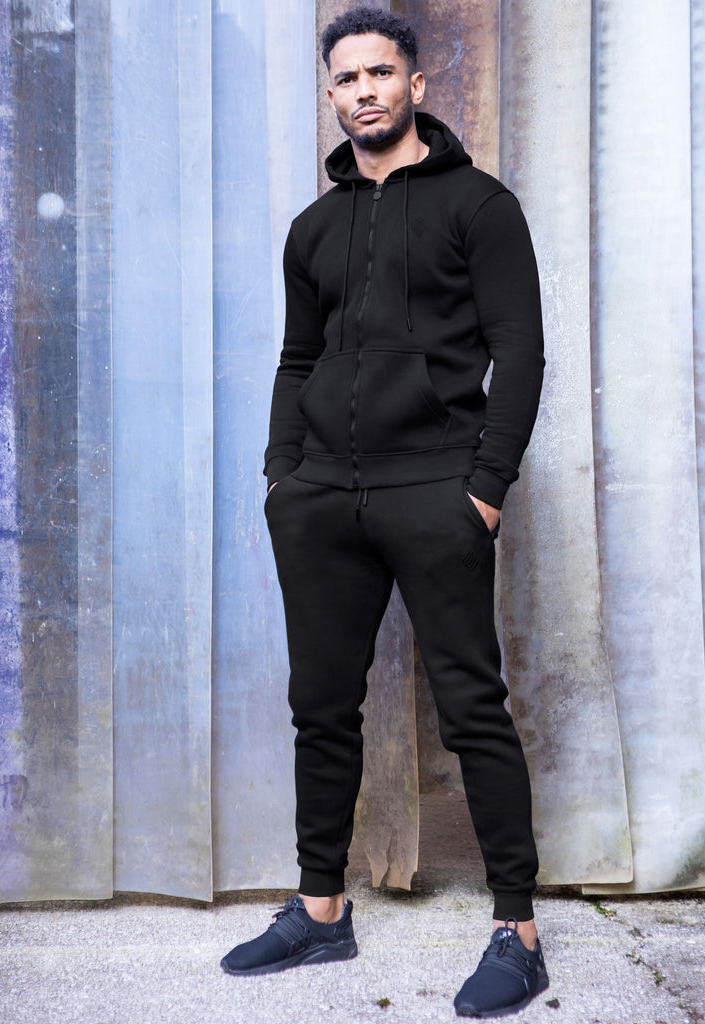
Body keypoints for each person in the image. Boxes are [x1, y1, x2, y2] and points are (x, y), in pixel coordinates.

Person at [221, 7, 548, 1017]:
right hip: (321, 496)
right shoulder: (312, 229)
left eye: (380, 72)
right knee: (320, 707)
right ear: (331, 94)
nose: (363, 89)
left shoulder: (479, 205)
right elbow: (298, 359)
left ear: (415, 84)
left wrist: (484, 489)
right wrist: (282, 477)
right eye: (346, 77)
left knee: (471, 707)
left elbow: (520, 352)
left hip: (436, 487)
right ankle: (322, 911)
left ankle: (518, 933)